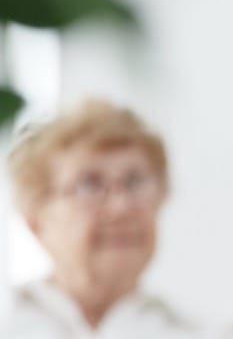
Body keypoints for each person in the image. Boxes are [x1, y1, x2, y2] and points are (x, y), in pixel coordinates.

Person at [1, 98, 200, 338]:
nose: (121, 206)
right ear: (35, 222)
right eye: (90, 184)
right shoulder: (10, 320)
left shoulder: (201, 332)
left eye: (135, 181)